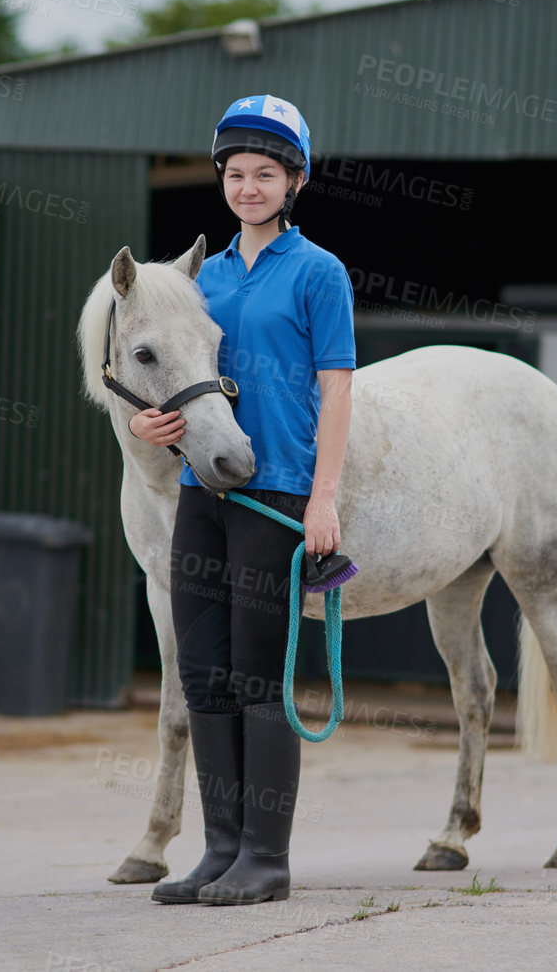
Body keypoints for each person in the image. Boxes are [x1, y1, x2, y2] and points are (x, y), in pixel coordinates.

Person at [130, 94, 355, 906]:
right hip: (201, 493)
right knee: (204, 674)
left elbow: (336, 392)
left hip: (280, 491)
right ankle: (218, 849)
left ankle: (267, 856)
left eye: (265, 173)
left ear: (293, 180)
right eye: (235, 172)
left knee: (262, 676)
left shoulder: (318, 273)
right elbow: (165, 366)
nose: (248, 186)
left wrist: (323, 497)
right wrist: (151, 421)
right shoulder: (199, 277)